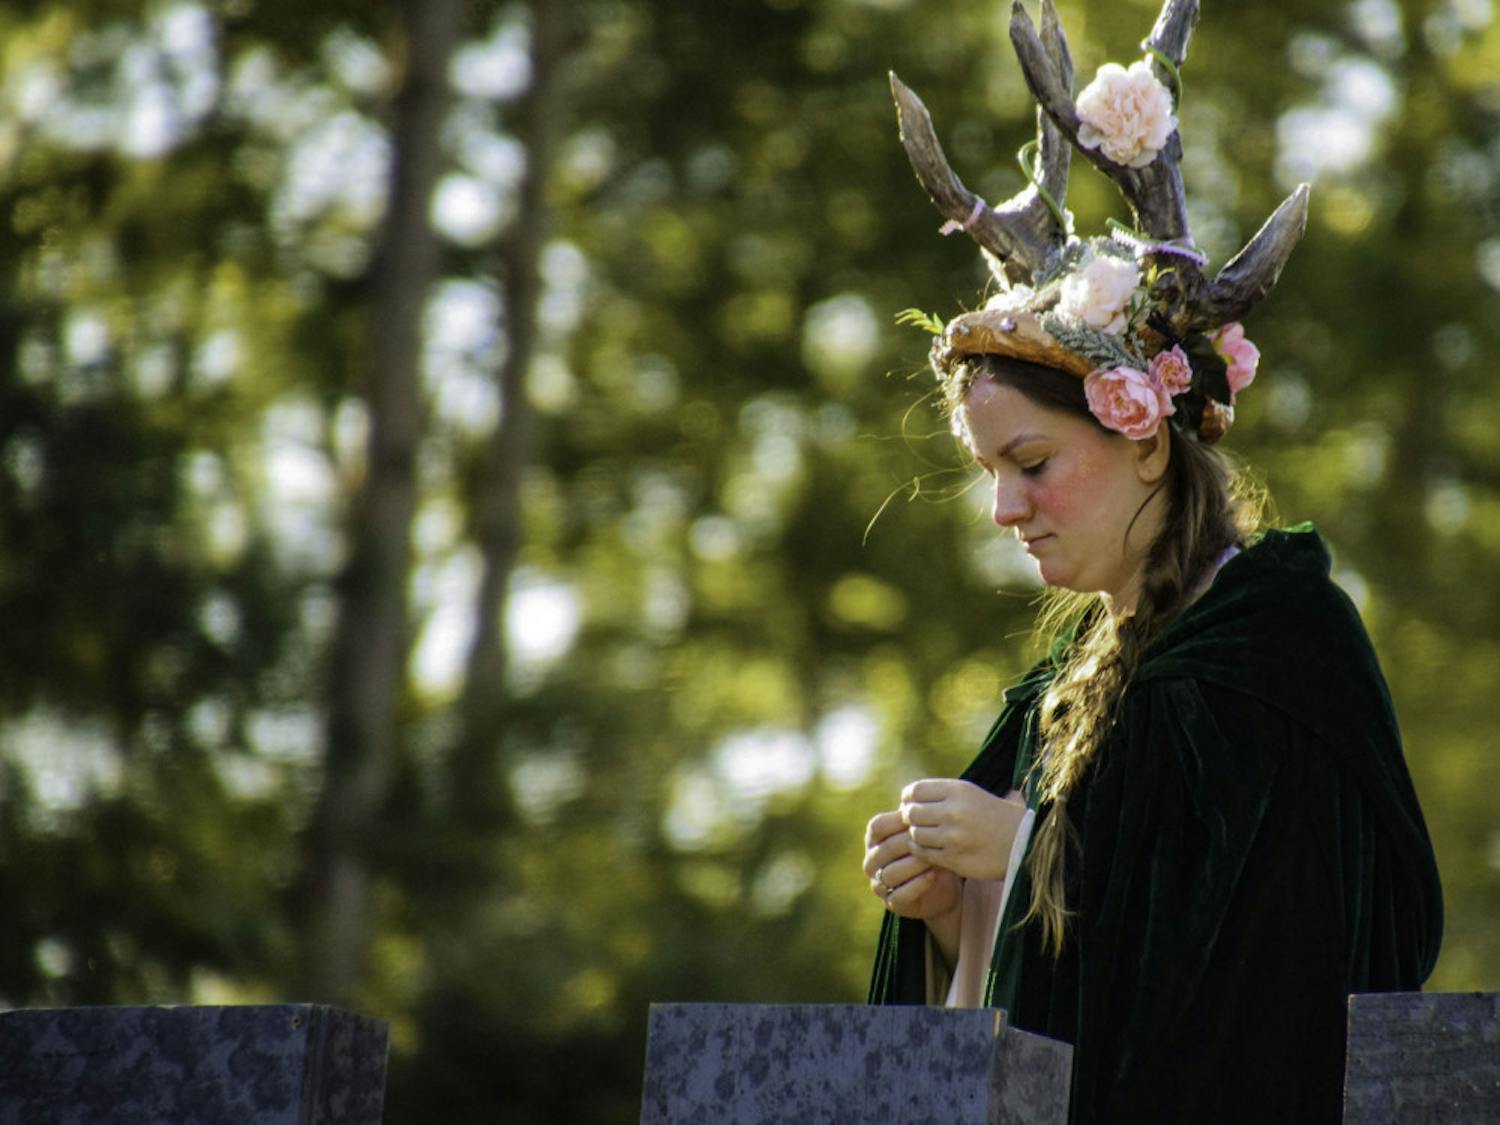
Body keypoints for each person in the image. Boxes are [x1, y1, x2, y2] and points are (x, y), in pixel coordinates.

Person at [865, 4, 1443, 1123]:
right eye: (990, 471)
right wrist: (954, 908)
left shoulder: (1279, 649)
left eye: (1032, 463)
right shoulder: (1066, 682)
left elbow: (1282, 956)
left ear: (1142, 436)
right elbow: (1053, 1002)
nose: (1004, 508)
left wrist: (1024, 847)